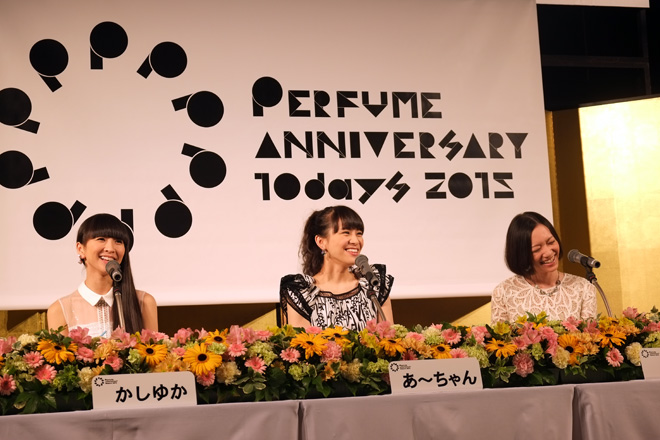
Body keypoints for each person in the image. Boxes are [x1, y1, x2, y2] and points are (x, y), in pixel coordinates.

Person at [280, 205, 394, 331]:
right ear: (321, 242)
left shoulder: (374, 283)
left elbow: (389, 338)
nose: (355, 241)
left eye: (359, 234)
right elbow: (302, 342)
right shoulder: (302, 293)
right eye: (346, 233)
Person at [47, 213, 158, 336]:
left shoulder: (144, 302)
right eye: (101, 239)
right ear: (80, 249)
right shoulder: (60, 310)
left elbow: (153, 347)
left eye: (118, 241)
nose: (110, 248)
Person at [491, 211, 597, 323]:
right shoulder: (503, 292)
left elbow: (589, 333)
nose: (548, 253)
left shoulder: (583, 288)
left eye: (551, 242)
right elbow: (500, 334)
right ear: (521, 255)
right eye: (537, 249)